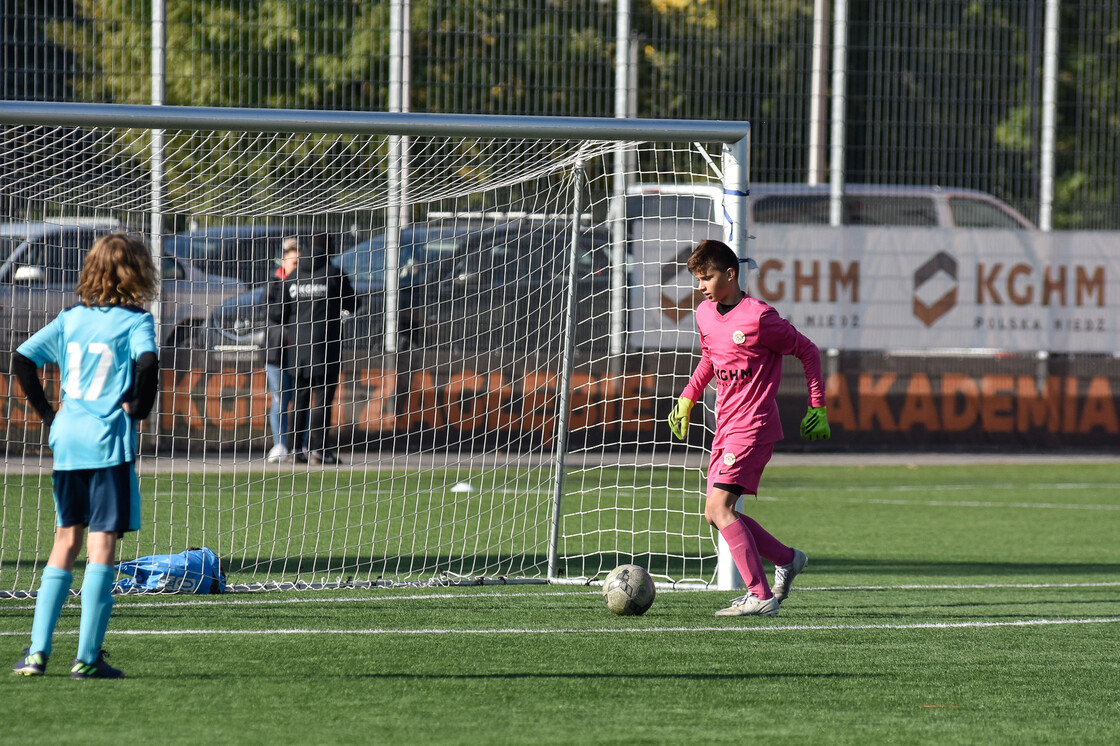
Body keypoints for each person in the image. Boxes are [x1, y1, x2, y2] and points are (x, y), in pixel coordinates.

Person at [11, 232, 160, 678]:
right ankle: (88, 658)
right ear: (136, 271)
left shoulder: (71, 318)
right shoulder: (136, 320)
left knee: (64, 540)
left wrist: (49, 417)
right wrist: (138, 408)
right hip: (107, 439)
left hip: (69, 439)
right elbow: (148, 365)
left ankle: (37, 654)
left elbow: (21, 359)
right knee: (101, 546)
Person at [667, 239, 830, 617]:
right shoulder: (705, 314)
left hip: (753, 426)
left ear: (730, 273)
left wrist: (817, 406)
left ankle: (759, 596)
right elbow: (710, 357)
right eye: (698, 279)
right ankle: (787, 560)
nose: (702, 286)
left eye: (707, 277)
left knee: (720, 507)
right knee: (714, 513)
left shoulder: (759, 317)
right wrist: (688, 397)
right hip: (725, 424)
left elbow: (808, 350)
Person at [274, 232, 356, 465]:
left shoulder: (293, 276)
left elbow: (279, 312)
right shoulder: (333, 275)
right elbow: (352, 303)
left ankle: (294, 449)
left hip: (298, 350)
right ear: (330, 249)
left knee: (299, 399)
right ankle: (319, 450)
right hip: (326, 348)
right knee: (322, 400)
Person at [263, 239, 300, 463]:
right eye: (293, 261)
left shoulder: (302, 284)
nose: (295, 266)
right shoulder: (274, 283)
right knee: (279, 399)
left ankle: (299, 444)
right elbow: (270, 311)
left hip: (298, 351)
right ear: (284, 261)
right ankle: (280, 444)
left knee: (299, 399)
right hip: (277, 350)